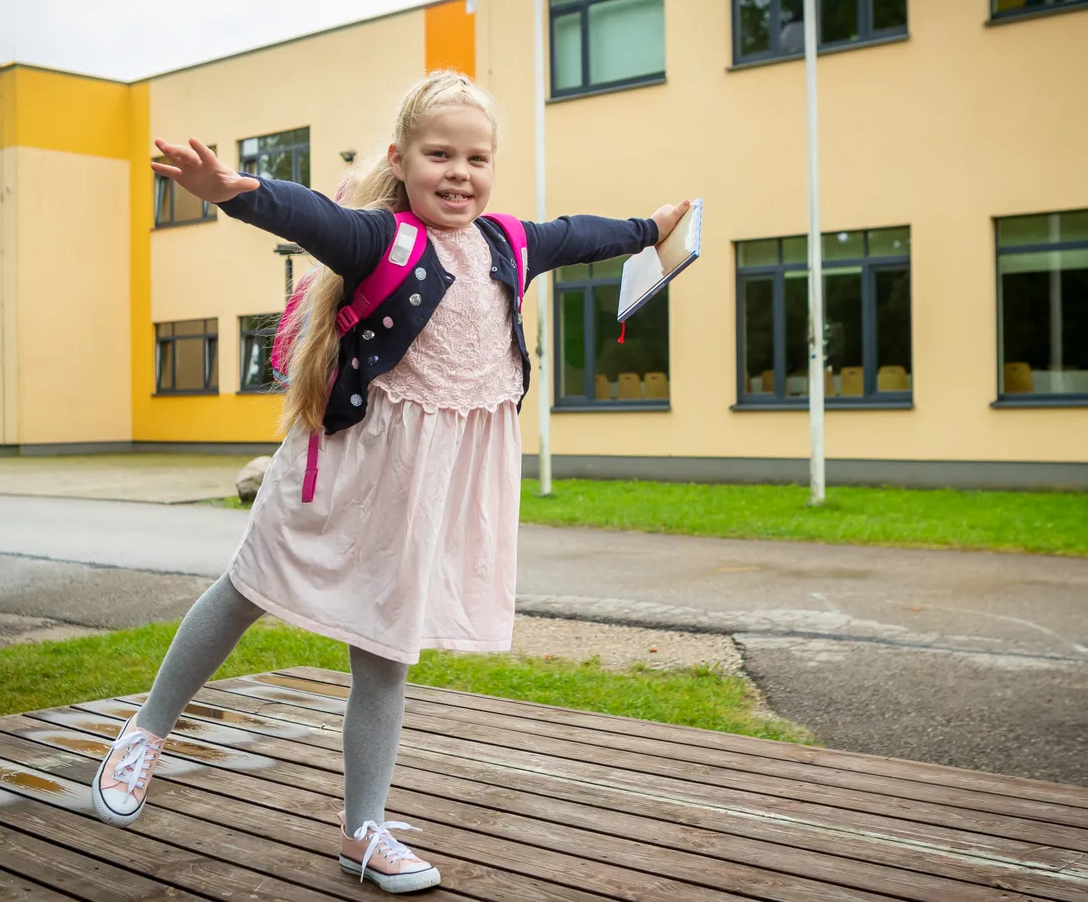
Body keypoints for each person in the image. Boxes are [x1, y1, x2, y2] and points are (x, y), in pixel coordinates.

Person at [90, 69, 690, 895]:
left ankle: (362, 828)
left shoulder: (507, 245)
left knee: (384, 645)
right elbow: (313, 215)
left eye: (476, 157)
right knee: (246, 588)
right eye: (439, 153)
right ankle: (146, 730)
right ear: (400, 159)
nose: (459, 173)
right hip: (342, 470)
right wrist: (235, 191)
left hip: (423, 491)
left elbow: (576, 232)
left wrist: (649, 228)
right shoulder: (381, 239)